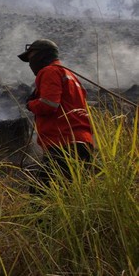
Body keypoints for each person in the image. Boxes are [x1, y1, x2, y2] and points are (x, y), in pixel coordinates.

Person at [18, 39, 93, 192]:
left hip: (64, 143)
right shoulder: (70, 75)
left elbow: (49, 105)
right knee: (71, 195)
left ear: (41, 56)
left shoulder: (49, 71)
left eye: (31, 58)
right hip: (82, 143)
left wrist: (31, 104)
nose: (30, 64)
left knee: (40, 194)